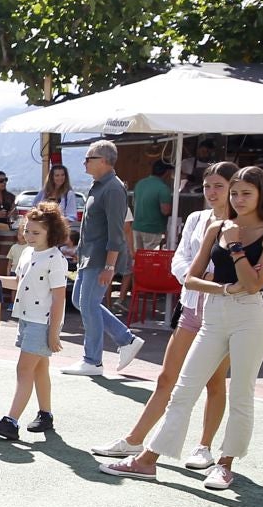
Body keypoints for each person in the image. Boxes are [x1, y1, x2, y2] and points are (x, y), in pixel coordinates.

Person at [104, 166, 263, 491]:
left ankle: (224, 464)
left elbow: (255, 284)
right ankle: (147, 460)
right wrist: (226, 288)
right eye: (235, 193)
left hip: (249, 319)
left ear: (261, 195)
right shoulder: (215, 226)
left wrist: (236, 249)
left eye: (245, 193)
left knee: (241, 393)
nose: (237, 199)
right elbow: (191, 278)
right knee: (183, 389)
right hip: (213, 315)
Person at [91, 162, 239, 465]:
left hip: (223, 314)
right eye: (208, 186)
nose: (211, 192)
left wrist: (214, 280)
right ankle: (134, 441)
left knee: (214, 382)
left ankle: (204, 447)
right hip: (191, 309)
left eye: (219, 186)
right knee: (166, 378)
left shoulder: (243, 226)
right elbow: (179, 260)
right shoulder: (197, 218)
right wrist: (194, 278)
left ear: (232, 189)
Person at [0, 204, 70, 441]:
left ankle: (11, 422)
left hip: (42, 323)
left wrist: (54, 332)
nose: (29, 236)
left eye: (36, 232)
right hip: (26, 320)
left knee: (24, 370)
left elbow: (59, 298)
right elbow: (18, 282)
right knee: (39, 368)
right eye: (27, 231)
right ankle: (46, 415)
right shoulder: (27, 253)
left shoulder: (56, 259)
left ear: (51, 233)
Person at [64, 139, 145, 378]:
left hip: (100, 259)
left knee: (88, 304)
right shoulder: (99, 185)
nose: (84, 162)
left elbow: (116, 231)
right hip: (89, 257)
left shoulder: (112, 188)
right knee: (81, 302)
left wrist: (110, 265)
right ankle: (125, 339)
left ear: (104, 161)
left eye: (89, 158)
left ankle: (93, 360)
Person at [131, 159, 174, 250]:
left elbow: (134, 203)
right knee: (151, 260)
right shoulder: (163, 188)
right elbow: (165, 211)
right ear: (166, 172)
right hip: (153, 230)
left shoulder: (140, 183)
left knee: (139, 258)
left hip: (137, 228)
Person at [41, 162, 84, 228]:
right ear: (51, 177)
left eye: (62, 175)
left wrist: (57, 221)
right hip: (44, 228)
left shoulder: (69, 194)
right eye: (57, 175)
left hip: (60, 229)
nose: (60, 178)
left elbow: (71, 216)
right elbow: (35, 207)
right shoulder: (44, 192)